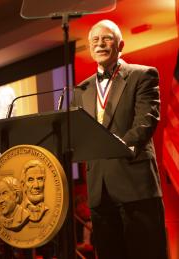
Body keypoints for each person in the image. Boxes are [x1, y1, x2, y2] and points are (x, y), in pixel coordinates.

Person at [71, 20, 169, 259]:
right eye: (95, 40)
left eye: (107, 39)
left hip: (135, 184)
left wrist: (115, 146)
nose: (100, 44)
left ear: (120, 45)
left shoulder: (142, 75)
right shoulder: (81, 90)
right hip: (99, 191)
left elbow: (146, 121)